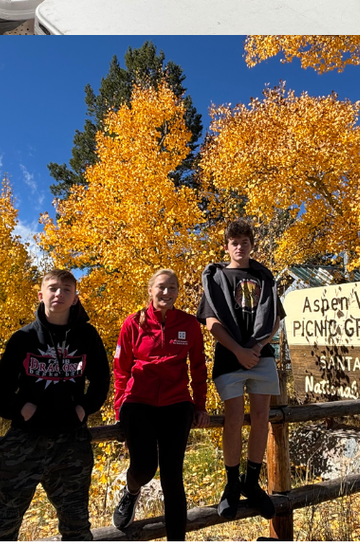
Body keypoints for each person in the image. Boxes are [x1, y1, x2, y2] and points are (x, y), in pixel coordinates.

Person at [0, 269, 110, 541]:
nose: (59, 294)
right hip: (25, 440)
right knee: (4, 523)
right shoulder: (23, 338)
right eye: (53, 288)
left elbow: (101, 379)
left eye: (66, 289)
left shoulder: (87, 336)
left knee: (76, 523)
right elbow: (1, 389)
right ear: (41, 295)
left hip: (71, 442)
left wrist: (84, 408)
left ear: (75, 298)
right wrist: (21, 409)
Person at [197, 219, 285, 522]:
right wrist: (239, 351)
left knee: (261, 418)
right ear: (226, 247)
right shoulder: (216, 278)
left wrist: (257, 347)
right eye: (234, 242)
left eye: (244, 242)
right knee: (233, 418)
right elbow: (211, 322)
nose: (239, 247)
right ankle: (232, 484)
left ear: (251, 245)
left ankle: (252, 481)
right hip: (229, 356)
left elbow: (275, 318)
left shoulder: (264, 277)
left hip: (262, 355)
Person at [111, 270, 208, 540]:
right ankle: (131, 492)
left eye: (172, 287)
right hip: (138, 402)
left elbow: (198, 368)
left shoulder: (189, 324)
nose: (167, 292)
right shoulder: (133, 323)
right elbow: (121, 369)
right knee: (143, 468)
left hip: (176, 403)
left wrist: (200, 405)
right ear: (150, 290)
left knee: (172, 477)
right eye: (162, 287)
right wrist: (119, 408)